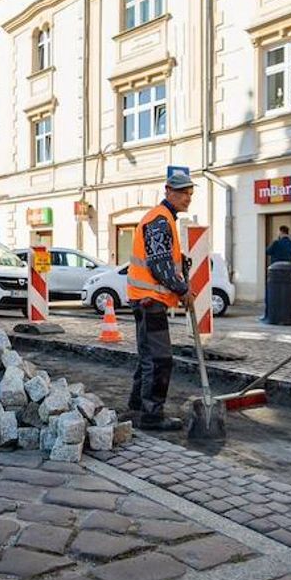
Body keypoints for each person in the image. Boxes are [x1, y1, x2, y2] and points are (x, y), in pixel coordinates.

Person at [125, 171, 196, 431]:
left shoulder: (163, 219)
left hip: (145, 299)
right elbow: (159, 265)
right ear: (167, 191)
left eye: (189, 193)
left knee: (147, 356)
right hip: (150, 300)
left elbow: (162, 256)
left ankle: (137, 405)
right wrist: (182, 289)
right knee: (160, 359)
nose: (187, 198)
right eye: (181, 193)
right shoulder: (160, 220)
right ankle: (152, 415)